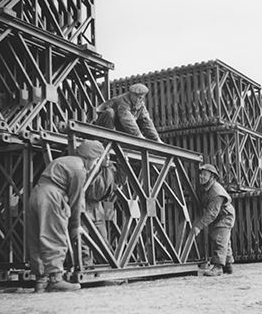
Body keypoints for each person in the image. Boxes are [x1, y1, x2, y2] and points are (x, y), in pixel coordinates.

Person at [26, 140, 106, 292]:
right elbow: (76, 200)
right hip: (52, 196)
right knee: (54, 235)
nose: (95, 165)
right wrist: (76, 226)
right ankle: (56, 279)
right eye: (96, 161)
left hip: (36, 193)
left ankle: (41, 281)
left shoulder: (64, 160)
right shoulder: (79, 169)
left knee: (36, 237)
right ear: (89, 157)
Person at [191, 163, 235, 276]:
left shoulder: (216, 192)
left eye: (205, 175)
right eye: (201, 174)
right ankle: (228, 266)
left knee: (219, 239)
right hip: (219, 215)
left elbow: (212, 213)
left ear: (212, 177)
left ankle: (218, 267)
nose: (201, 177)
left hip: (225, 216)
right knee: (225, 241)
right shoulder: (205, 188)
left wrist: (198, 227)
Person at [94, 83, 162, 142]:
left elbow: (147, 121)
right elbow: (127, 119)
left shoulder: (141, 105)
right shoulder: (122, 101)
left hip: (118, 127)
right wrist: (138, 135)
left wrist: (157, 139)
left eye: (140, 98)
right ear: (131, 94)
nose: (138, 100)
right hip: (103, 126)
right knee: (110, 112)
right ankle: (111, 139)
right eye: (136, 97)